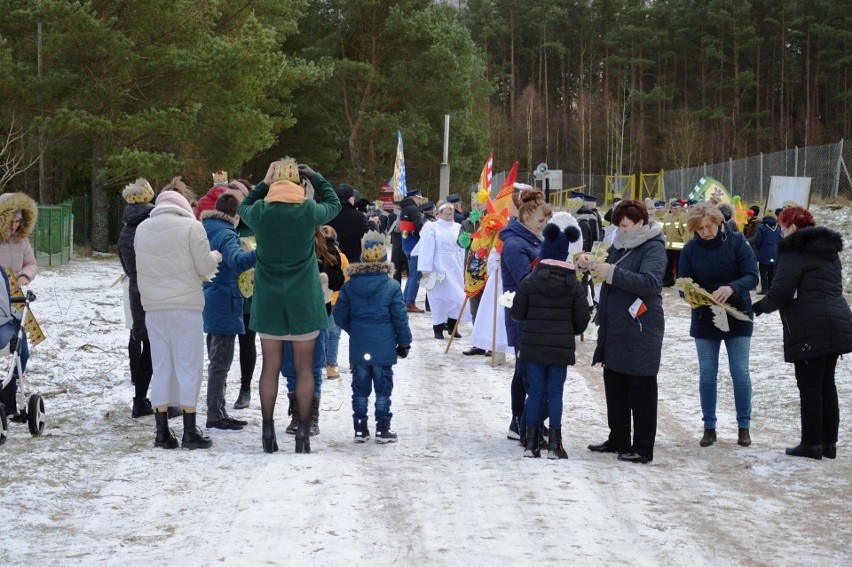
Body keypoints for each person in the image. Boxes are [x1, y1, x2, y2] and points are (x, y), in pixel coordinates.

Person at [237, 158, 341, 454]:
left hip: (269, 300)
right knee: (305, 367)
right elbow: (334, 203)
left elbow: (244, 206)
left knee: (270, 367)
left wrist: (264, 182)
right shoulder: (307, 211)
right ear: (298, 183)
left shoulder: (260, 212)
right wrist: (317, 177)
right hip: (304, 300)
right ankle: (303, 434)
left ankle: (268, 430)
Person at [753, 207, 852, 460]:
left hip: (810, 326)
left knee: (809, 386)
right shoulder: (828, 250)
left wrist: (759, 307)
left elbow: (781, 290)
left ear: (794, 227)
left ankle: (811, 444)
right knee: (826, 384)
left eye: (784, 228)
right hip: (838, 321)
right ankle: (828, 443)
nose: (782, 234)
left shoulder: (794, 250)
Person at [579, 199, 666, 464]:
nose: (621, 230)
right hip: (615, 326)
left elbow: (651, 283)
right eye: (618, 226)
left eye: (625, 225)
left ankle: (642, 447)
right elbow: (604, 270)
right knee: (614, 382)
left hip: (640, 328)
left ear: (640, 222)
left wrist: (612, 272)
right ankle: (618, 438)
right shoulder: (618, 244)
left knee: (640, 387)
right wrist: (590, 264)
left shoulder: (653, 247)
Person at [135, 189, 222, 450]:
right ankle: (189, 431)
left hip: (153, 308)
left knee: (161, 366)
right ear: (183, 206)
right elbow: (204, 267)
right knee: (188, 366)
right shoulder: (191, 227)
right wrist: (215, 257)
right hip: (185, 306)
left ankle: (161, 433)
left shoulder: (142, 228)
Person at [678, 202, 758, 448]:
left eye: (709, 226)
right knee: (707, 373)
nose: (705, 231)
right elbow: (683, 285)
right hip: (705, 318)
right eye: (700, 228)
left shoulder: (736, 242)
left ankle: (743, 426)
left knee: (740, 372)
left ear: (719, 222)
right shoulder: (690, 249)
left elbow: (752, 275)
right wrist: (694, 296)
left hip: (738, 315)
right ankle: (709, 426)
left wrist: (732, 287)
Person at [510, 222, 590, 459]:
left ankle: (531, 443)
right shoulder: (574, 285)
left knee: (535, 393)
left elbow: (517, 314)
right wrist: (568, 330)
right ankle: (555, 444)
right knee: (555, 393)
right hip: (560, 349)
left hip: (533, 348)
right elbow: (582, 321)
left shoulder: (530, 281)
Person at [334, 231, 412, 443]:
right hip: (384, 346)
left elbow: (339, 315)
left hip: (360, 345)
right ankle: (383, 428)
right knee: (383, 390)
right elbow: (400, 318)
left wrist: (355, 328)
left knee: (359, 390)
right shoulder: (392, 286)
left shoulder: (349, 286)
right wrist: (404, 342)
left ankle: (360, 429)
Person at [200, 193, 257, 432]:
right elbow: (237, 261)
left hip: (210, 297)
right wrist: (261, 252)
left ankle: (219, 410)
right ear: (236, 215)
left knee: (217, 358)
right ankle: (214, 415)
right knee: (220, 362)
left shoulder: (206, 228)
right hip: (225, 300)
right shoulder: (226, 234)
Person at [500, 189, 552, 441]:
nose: (544, 225)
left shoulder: (535, 240)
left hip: (537, 315)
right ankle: (521, 421)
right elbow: (526, 281)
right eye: (541, 221)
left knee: (530, 369)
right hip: (522, 316)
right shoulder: (514, 244)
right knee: (525, 370)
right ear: (526, 217)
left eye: (547, 221)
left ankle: (524, 420)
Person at [282, 226, 345, 436]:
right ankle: (297, 415)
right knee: (290, 366)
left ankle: (310, 417)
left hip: (317, 313)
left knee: (314, 365)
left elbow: (339, 278)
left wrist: (328, 275)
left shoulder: (326, 246)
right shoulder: (282, 242)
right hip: (288, 313)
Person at [117, 179, 156, 419]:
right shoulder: (152, 225)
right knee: (157, 347)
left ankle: (139, 400)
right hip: (155, 288)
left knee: (145, 344)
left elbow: (124, 263)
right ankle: (163, 400)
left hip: (135, 288)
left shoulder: (124, 230)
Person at [0, 192, 37, 421]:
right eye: (11, 221)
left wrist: (25, 275)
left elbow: (31, 263)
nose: (15, 226)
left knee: (22, 350)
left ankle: (10, 392)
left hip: (15, 299)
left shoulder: (22, 240)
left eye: (19, 222)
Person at [417, 203, 467, 339]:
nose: (450, 217)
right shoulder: (432, 227)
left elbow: (463, 248)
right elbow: (426, 248)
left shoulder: (458, 227)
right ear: (439, 214)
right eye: (446, 214)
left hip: (455, 267)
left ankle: (453, 326)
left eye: (451, 214)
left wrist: (465, 266)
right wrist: (425, 268)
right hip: (437, 266)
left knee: (457, 297)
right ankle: (438, 328)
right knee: (437, 297)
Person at [320, 225, 348, 380]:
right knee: (334, 334)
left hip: (320, 299)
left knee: (320, 332)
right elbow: (347, 279)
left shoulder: (316, 254)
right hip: (336, 301)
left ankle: (320, 361)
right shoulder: (341, 257)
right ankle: (331, 366)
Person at [327, 183, 368, 267]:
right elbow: (367, 239)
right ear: (350, 198)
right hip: (352, 265)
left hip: (331, 263)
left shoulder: (327, 214)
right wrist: (372, 223)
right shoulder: (358, 217)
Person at [399, 189, 426, 312]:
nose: (420, 200)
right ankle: (410, 302)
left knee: (412, 274)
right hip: (415, 245)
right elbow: (419, 226)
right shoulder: (414, 209)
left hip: (406, 244)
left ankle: (406, 300)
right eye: (419, 198)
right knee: (416, 274)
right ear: (414, 197)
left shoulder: (405, 208)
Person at [750, 213, 782, 295]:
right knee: (772, 271)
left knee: (763, 271)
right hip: (775, 252)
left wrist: (759, 247)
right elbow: (781, 239)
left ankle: (764, 289)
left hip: (764, 252)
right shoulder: (778, 228)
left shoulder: (762, 228)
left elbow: (758, 240)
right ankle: (771, 288)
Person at [661, 200, 688, 287]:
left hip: (680, 247)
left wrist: (686, 243)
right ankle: (668, 280)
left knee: (680, 265)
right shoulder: (668, 217)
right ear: (671, 208)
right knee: (667, 264)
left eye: (677, 207)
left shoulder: (684, 217)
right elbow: (664, 230)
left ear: (681, 208)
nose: (675, 209)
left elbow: (687, 232)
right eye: (674, 208)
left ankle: (681, 281)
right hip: (668, 246)